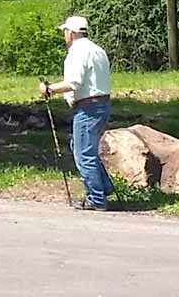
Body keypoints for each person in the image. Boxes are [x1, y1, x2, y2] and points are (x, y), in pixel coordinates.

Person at [37, 15, 113, 210]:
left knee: (83, 154)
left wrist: (50, 89)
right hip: (102, 104)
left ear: (70, 33)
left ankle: (96, 198)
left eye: (65, 32)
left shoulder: (77, 52)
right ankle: (103, 186)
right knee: (82, 146)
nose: (64, 35)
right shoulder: (97, 50)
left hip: (88, 107)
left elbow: (74, 82)